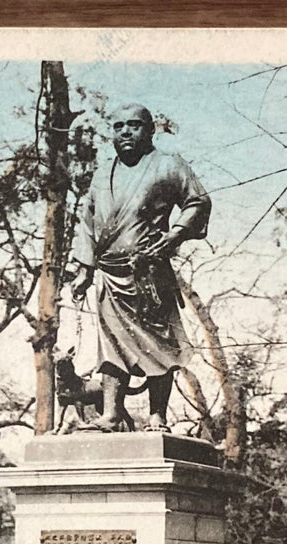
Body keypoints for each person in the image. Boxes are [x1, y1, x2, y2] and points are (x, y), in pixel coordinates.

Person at [69, 103, 211, 433]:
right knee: (111, 344)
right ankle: (112, 412)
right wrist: (83, 269)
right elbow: (87, 221)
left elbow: (198, 201)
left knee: (158, 344)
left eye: (134, 125)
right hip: (109, 273)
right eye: (119, 127)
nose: (126, 132)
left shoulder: (168, 164)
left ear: (149, 130)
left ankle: (158, 415)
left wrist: (175, 235)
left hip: (149, 271)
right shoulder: (103, 172)